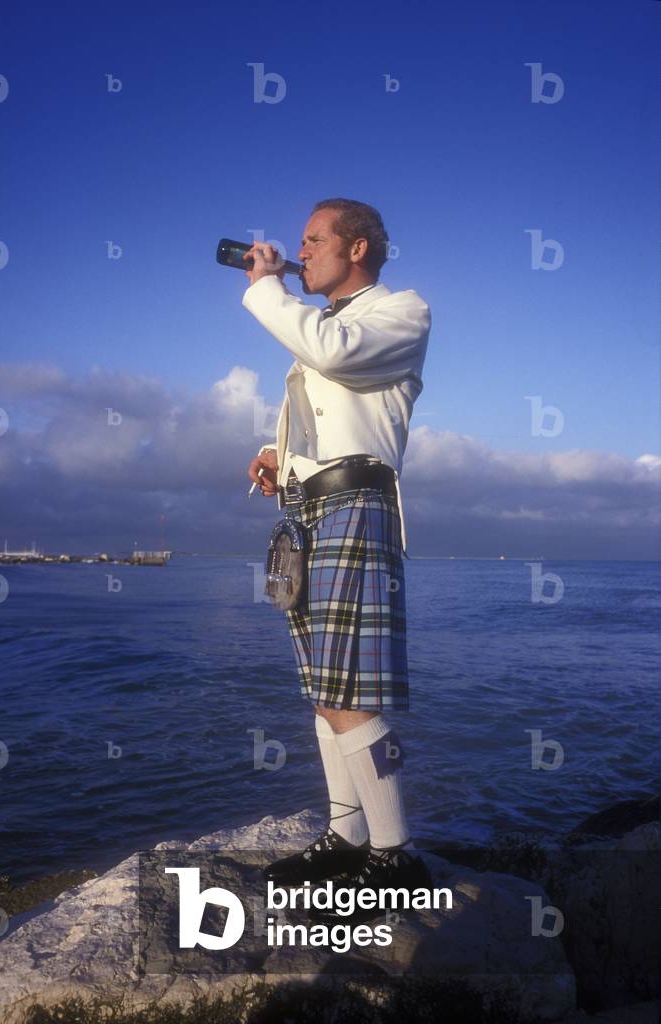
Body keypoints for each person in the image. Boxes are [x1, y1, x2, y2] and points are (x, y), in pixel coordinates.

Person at [241, 199, 432, 923]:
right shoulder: (325, 326)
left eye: (311, 241)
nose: (299, 251)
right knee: (324, 687)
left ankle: (393, 852)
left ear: (355, 247)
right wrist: (277, 454)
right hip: (311, 504)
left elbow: (335, 352)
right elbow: (325, 391)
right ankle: (345, 836)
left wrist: (267, 288)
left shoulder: (399, 310)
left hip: (356, 500)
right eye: (298, 244)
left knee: (348, 688)